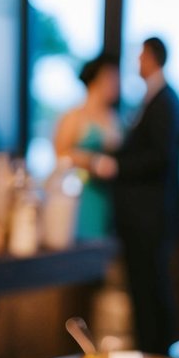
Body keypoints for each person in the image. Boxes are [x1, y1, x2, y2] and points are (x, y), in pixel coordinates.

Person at [89, 36, 179, 354]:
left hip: (150, 216)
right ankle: (152, 354)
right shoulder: (153, 99)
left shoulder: (164, 101)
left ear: (153, 58)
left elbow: (160, 156)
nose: (136, 63)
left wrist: (116, 166)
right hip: (140, 215)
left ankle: (156, 357)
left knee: (151, 290)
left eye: (141, 56)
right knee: (144, 290)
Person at [54, 53, 122, 240]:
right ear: (97, 79)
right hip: (81, 193)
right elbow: (60, 154)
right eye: (112, 77)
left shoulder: (115, 117)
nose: (117, 83)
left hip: (107, 197)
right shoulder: (74, 115)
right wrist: (92, 162)